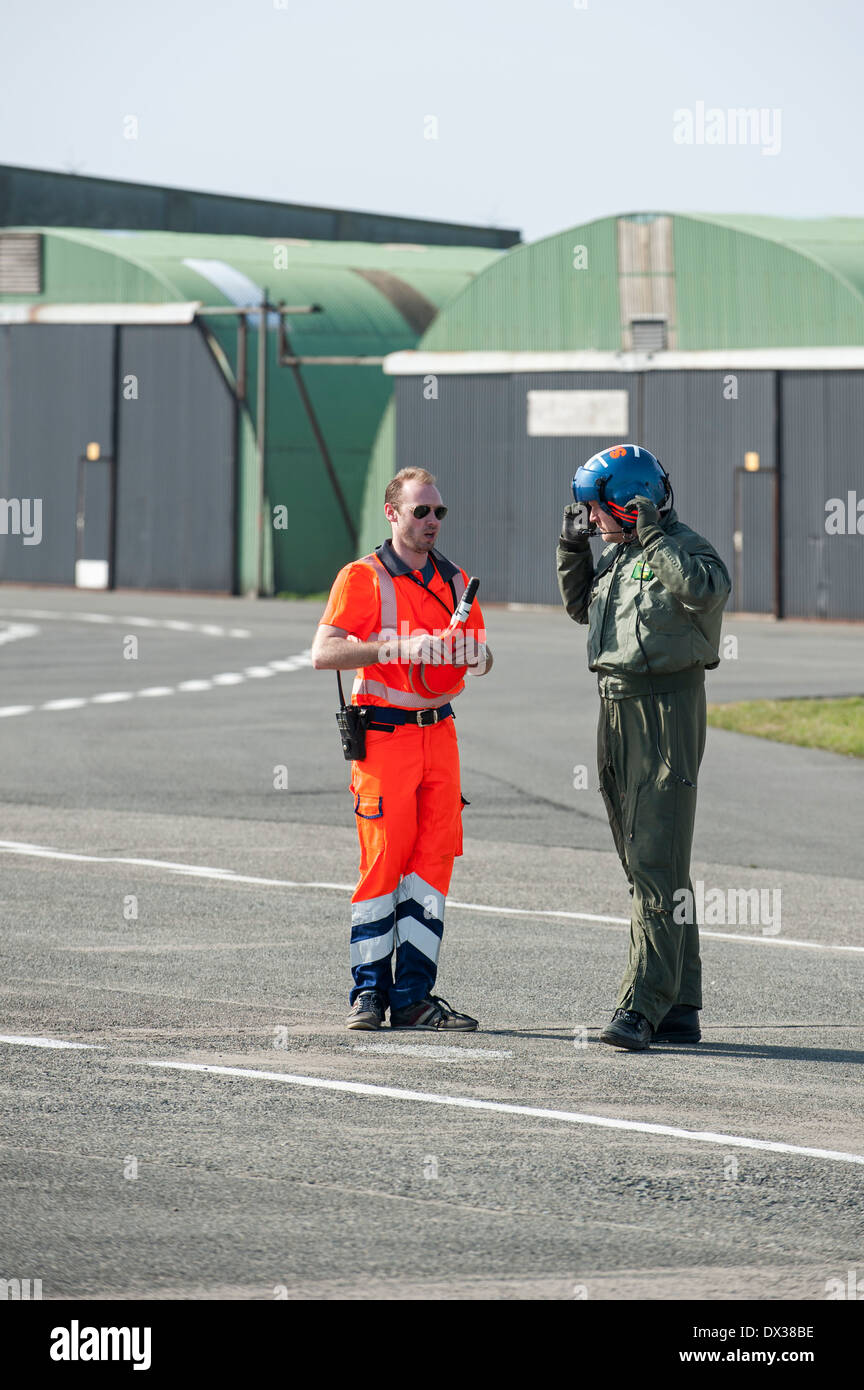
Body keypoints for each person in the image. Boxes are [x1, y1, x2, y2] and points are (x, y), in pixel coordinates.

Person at [556, 444, 731, 1051]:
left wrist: (654, 537)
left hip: (665, 709)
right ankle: (681, 1002)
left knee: (655, 858)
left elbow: (705, 591)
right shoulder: (619, 556)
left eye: (597, 510)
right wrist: (573, 550)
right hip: (614, 704)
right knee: (648, 863)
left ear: (631, 505)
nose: (592, 519)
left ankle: (642, 1006)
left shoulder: (683, 548)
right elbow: (583, 609)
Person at [311, 466, 493, 1032]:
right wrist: (397, 645)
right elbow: (323, 653)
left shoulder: (455, 580)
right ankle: (367, 993)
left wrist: (465, 652)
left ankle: (414, 997)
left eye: (439, 512)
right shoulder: (362, 578)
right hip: (385, 737)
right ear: (392, 514)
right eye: (421, 511)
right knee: (384, 860)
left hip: (439, 735)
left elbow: (485, 657)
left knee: (433, 862)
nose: (432, 521)